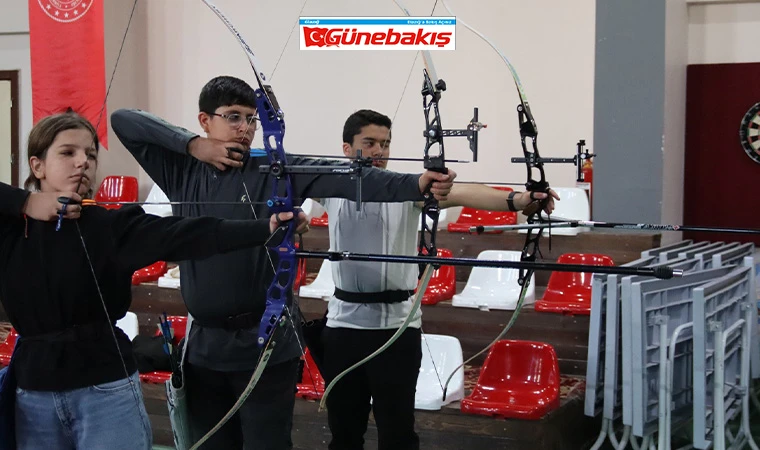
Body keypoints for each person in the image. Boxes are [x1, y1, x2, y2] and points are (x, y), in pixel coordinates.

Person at [109, 75, 456, 449]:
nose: (245, 128)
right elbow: (123, 119)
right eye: (233, 117)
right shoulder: (182, 170)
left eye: (252, 119)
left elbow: (348, 177)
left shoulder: (276, 168)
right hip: (205, 348)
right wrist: (194, 146)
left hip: (268, 345)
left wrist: (417, 183)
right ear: (205, 120)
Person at [0, 112, 307, 450]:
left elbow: (188, 233)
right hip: (34, 392)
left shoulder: (110, 226)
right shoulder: (11, 228)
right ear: (37, 165)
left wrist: (265, 228)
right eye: (67, 153)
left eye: (90, 154)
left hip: (105, 388)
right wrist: (25, 201)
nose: (82, 163)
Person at [318, 109, 559, 450]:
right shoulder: (331, 188)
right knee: (344, 432)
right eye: (369, 143)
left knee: (398, 433)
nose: (379, 151)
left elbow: (463, 193)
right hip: (343, 329)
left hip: (397, 330)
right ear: (346, 148)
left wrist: (519, 200)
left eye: (385, 144)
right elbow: (283, 175)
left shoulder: (406, 188)